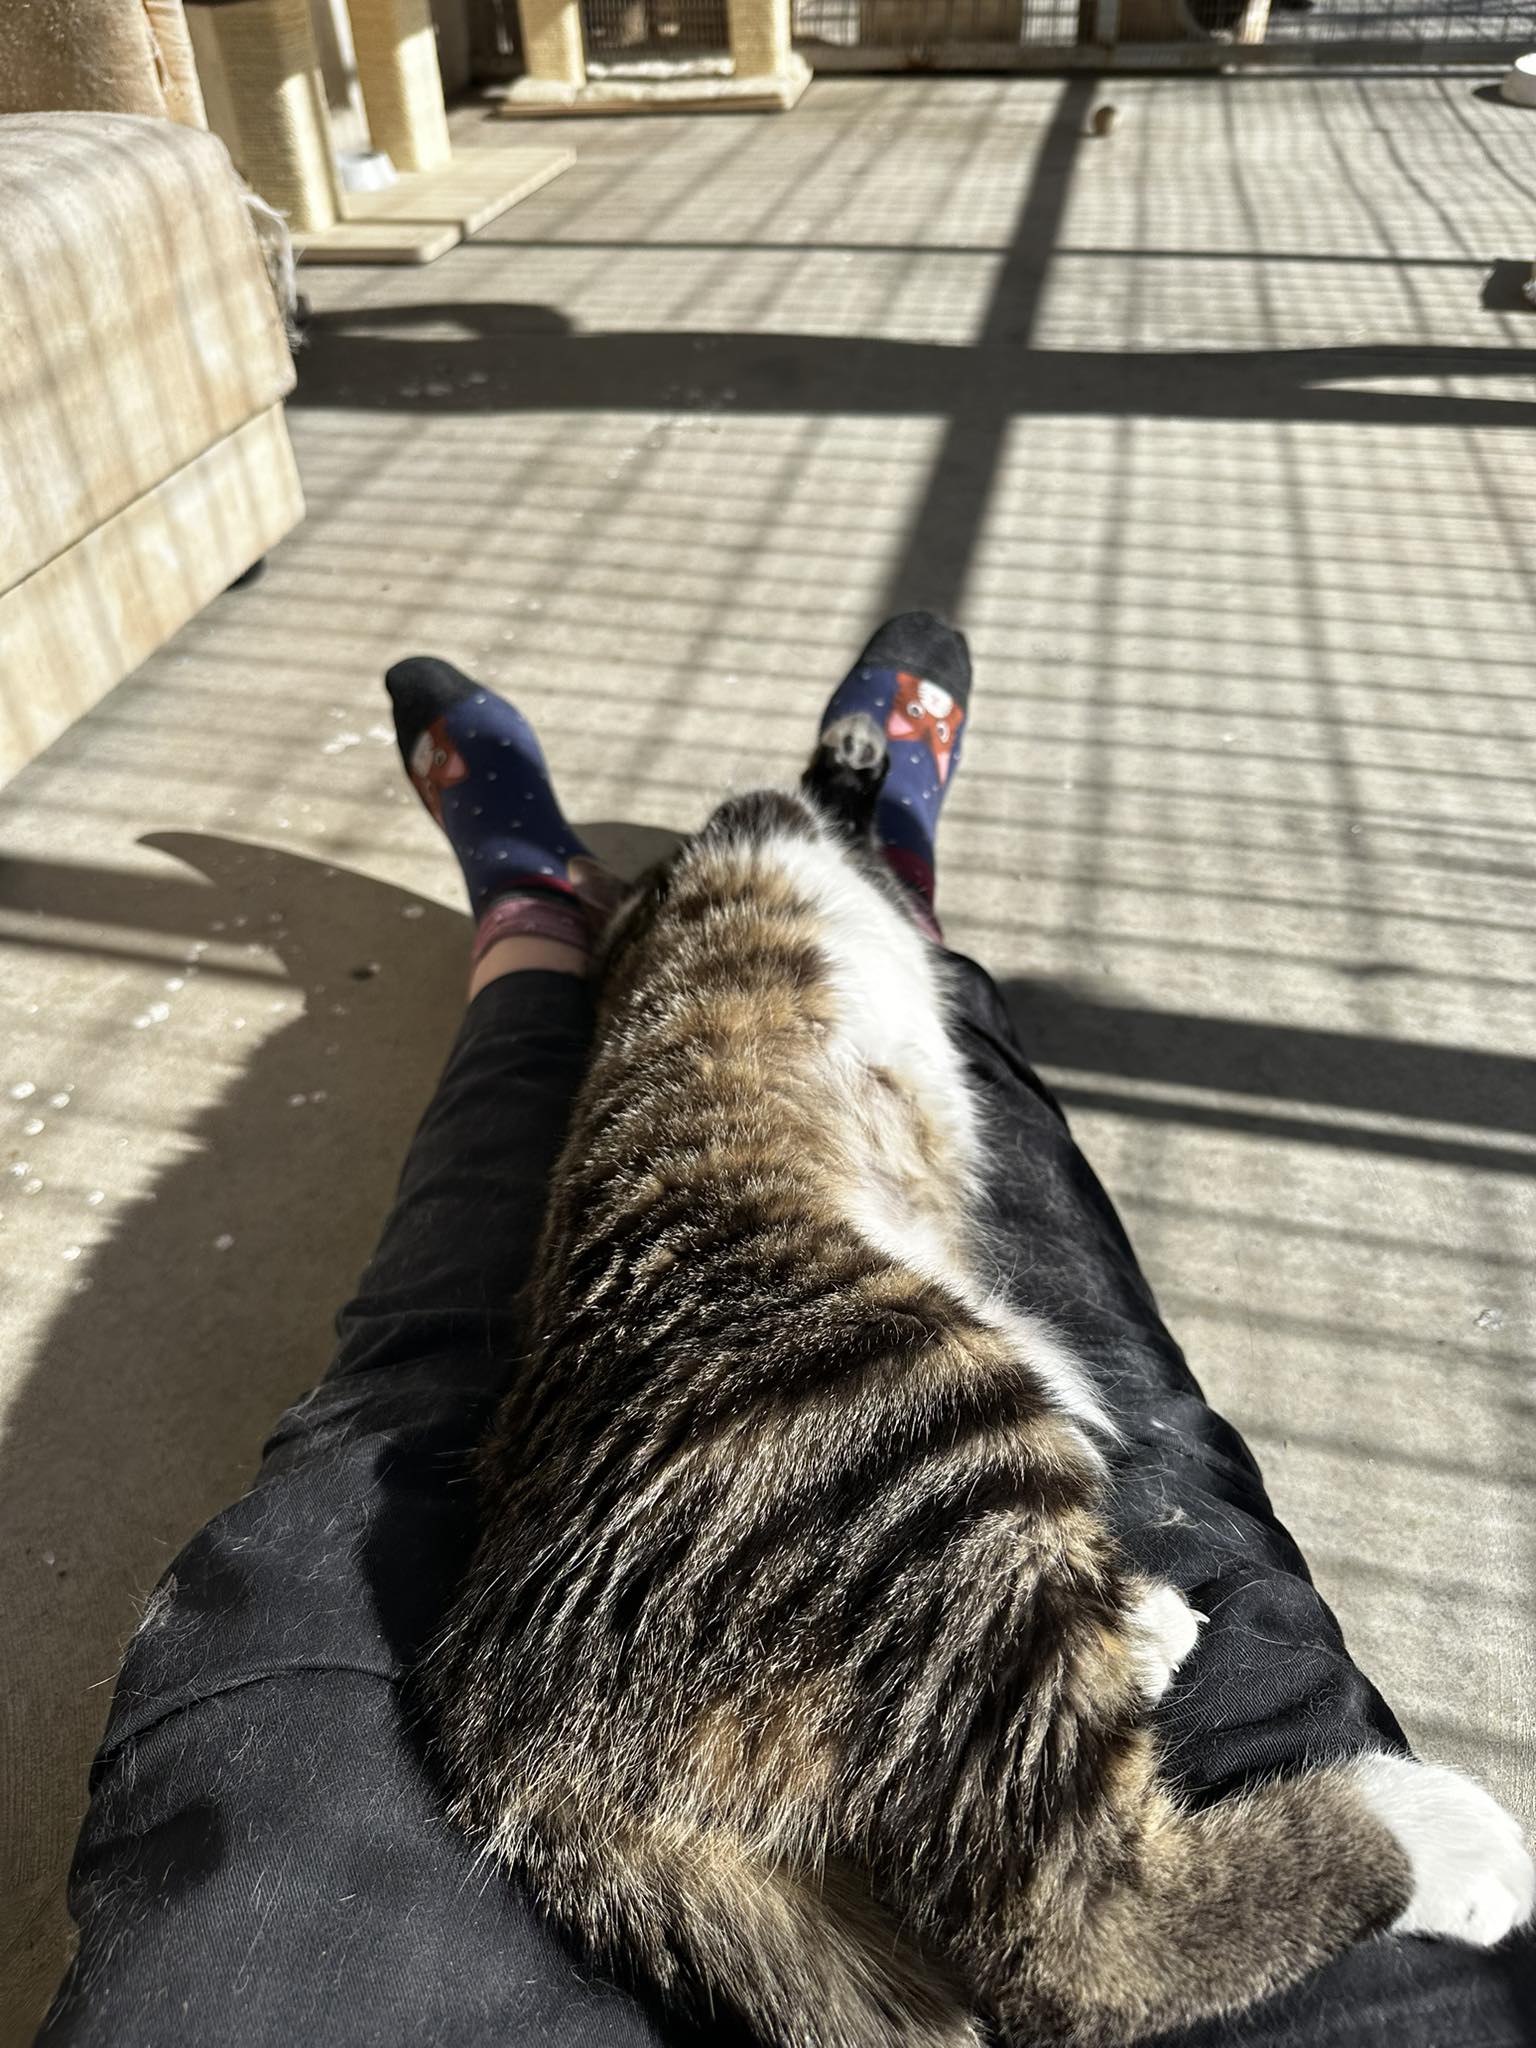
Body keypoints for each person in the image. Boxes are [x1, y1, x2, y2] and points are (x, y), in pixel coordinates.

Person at [38, 617, 1536, 2047]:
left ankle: (536, 916)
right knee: (1070, 1398)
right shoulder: (746, 853)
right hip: (770, 1275)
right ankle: (865, 857)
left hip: (667, 1397)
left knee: (448, 1314)